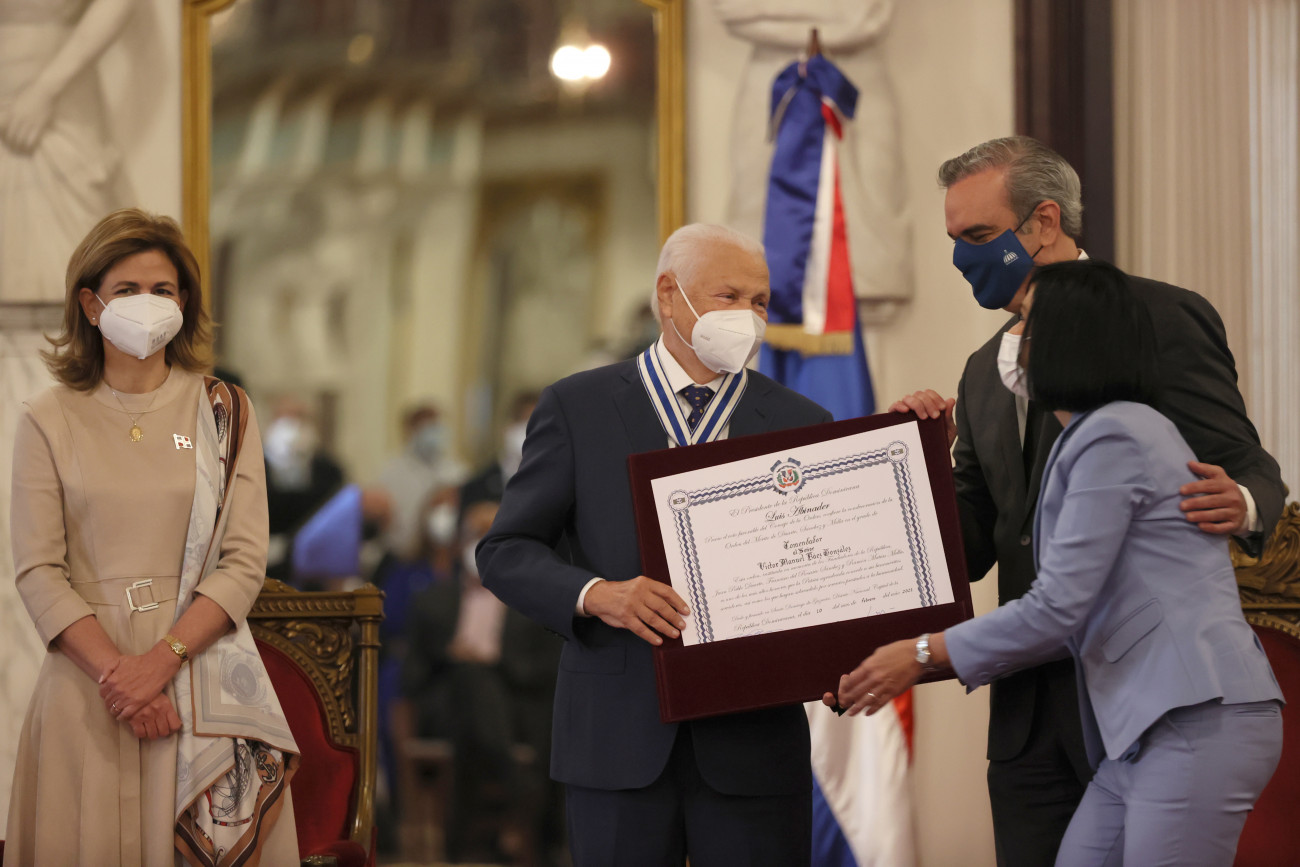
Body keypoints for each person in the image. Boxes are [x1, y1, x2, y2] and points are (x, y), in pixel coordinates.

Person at [892, 136, 1287, 866]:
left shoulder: (1156, 317)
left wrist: (1243, 501)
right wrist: (912, 469)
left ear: (1043, 221)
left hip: (1149, 694)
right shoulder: (984, 368)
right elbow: (977, 538)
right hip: (1028, 711)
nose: (961, 259)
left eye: (977, 236)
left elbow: (1246, 463)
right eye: (954, 240)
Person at [477, 223, 832, 866]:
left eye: (760, 302)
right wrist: (596, 594)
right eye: (730, 296)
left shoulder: (801, 421)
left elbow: (823, 569)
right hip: (615, 737)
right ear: (669, 295)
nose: (749, 317)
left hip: (753, 741)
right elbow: (505, 550)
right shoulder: (578, 406)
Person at [5, 209, 299, 866]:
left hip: (197, 671)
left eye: (162, 289)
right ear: (91, 304)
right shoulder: (47, 417)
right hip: (87, 687)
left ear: (184, 301)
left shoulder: (223, 411)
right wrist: (121, 678)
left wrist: (161, 662)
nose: (148, 302)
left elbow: (243, 560)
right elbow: (38, 570)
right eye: (128, 289)